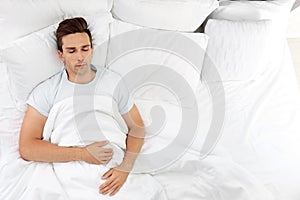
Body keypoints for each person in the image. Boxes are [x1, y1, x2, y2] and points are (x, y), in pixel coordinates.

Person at [19, 17, 145, 197]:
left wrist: (125, 169)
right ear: (60, 55)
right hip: (72, 169)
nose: (80, 57)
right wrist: (82, 154)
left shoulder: (112, 81)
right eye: (72, 51)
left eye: (85, 49)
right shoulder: (46, 92)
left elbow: (137, 128)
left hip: (114, 168)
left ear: (92, 49)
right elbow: (27, 148)